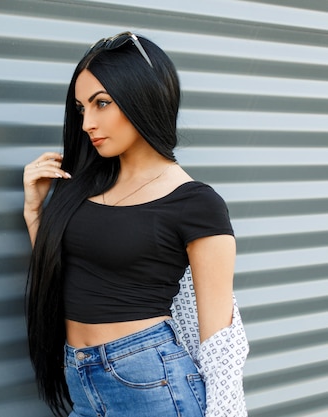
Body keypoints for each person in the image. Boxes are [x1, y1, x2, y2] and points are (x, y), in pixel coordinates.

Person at [23, 32, 249, 417]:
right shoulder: (84, 188)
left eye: (102, 104)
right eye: (81, 109)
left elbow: (219, 339)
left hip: (153, 382)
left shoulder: (196, 204)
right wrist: (36, 214)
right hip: (82, 380)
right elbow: (63, 278)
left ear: (143, 98)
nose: (87, 123)